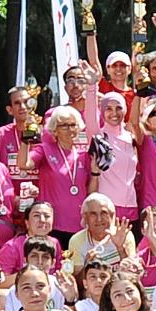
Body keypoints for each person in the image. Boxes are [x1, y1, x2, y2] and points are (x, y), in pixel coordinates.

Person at [20, 105, 91, 246]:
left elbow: (90, 188)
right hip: (52, 225)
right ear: (55, 130)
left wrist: (95, 172)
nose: (70, 129)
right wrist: (25, 140)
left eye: (73, 125)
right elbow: (24, 164)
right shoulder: (45, 149)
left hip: (79, 225)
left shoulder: (84, 154)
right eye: (64, 126)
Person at [85, 89, 139, 225]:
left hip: (131, 206)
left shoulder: (131, 137)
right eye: (108, 108)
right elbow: (90, 116)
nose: (114, 113)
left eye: (118, 108)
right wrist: (91, 86)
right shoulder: (99, 136)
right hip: (106, 207)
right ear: (102, 111)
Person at [66, 194, 136, 270]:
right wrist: (87, 264)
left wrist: (120, 249)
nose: (99, 219)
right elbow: (77, 276)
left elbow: (132, 272)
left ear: (112, 215)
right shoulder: (76, 240)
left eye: (104, 213)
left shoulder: (124, 235)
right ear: (85, 217)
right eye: (93, 214)